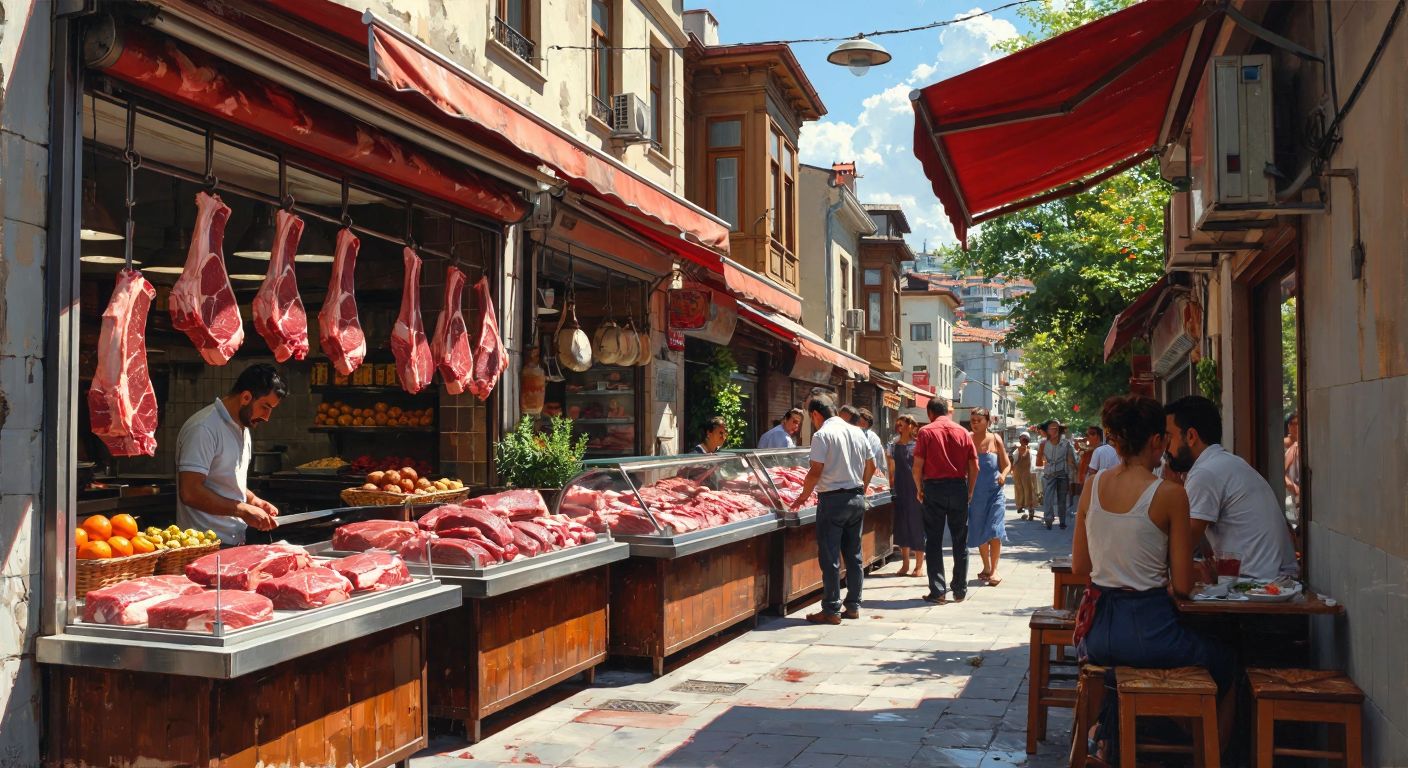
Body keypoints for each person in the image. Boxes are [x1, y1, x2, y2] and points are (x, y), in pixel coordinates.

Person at [1073, 395, 1235, 759]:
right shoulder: (1170, 494)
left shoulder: (1092, 486)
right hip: (1149, 631)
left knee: (1121, 670)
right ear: (1156, 441)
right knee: (1226, 661)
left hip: (1098, 634)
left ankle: (1115, 734)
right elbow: (1181, 585)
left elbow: (1081, 567)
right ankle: (1209, 754)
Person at [1163, 396, 1299, 580]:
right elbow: (1201, 545)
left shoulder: (1205, 472)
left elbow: (1180, 548)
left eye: (1169, 438)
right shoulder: (1222, 462)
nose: (1166, 449)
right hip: (1271, 579)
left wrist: (1170, 493)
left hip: (1261, 586)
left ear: (1191, 436)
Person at [789, 397, 876, 624]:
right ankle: (854, 606)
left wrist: (803, 496)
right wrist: (862, 488)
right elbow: (872, 465)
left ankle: (831, 609)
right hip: (856, 498)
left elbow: (816, 471)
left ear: (816, 415)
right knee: (854, 556)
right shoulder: (858, 432)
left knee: (830, 557)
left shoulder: (822, 435)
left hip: (833, 500)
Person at [176, 364, 285, 545]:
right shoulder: (204, 428)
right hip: (202, 546)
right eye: (265, 407)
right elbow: (190, 492)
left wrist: (253, 500)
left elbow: (224, 480)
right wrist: (243, 509)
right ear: (246, 397)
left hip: (234, 542)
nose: (267, 417)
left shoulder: (243, 427)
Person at [912, 396, 979, 604]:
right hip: (958, 486)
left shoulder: (926, 432)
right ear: (948, 412)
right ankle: (959, 590)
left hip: (934, 488)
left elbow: (917, 466)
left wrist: (919, 488)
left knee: (933, 540)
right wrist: (970, 490)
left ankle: (938, 591)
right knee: (960, 540)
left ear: (930, 413)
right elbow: (974, 466)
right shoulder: (963, 432)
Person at [965, 409, 1010, 586]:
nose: (974, 423)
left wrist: (1004, 475)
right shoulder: (967, 439)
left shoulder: (995, 439)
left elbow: (1007, 465)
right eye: (972, 420)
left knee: (994, 529)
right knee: (980, 530)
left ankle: (994, 570)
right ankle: (986, 566)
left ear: (988, 422)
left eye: (978, 420)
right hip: (975, 494)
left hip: (995, 492)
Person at [887, 414, 924, 578]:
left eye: (902, 424)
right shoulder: (893, 446)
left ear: (910, 426)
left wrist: (921, 489)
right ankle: (905, 564)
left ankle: (919, 566)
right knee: (902, 526)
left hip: (915, 489)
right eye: (898, 425)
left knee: (917, 526)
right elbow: (891, 469)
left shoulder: (918, 445)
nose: (899, 427)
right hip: (900, 489)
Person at [1036, 419, 1077, 530]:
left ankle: (1062, 521)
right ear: (1047, 431)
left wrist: (1073, 475)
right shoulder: (1043, 444)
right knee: (1048, 498)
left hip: (1062, 474)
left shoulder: (1066, 444)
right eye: (1052, 429)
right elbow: (1038, 462)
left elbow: (1071, 461)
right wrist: (1043, 458)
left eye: (1057, 428)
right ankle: (1048, 519)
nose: (1055, 431)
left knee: (1062, 499)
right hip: (1049, 475)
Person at [856, 408, 889, 490]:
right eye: (858, 423)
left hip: (871, 480)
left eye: (863, 425)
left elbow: (870, 463)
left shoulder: (873, 439)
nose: (860, 427)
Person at [1011, 434, 1037, 520]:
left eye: (1026, 440)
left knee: (1029, 491)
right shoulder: (1016, 452)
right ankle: (1022, 508)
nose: (1024, 441)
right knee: (1020, 490)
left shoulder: (1032, 452)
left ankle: (1030, 509)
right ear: (1020, 441)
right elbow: (1013, 463)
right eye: (1023, 439)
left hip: (1028, 473)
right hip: (1018, 473)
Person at [1283, 413, 1301, 513]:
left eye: (1298, 423)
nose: (1297, 426)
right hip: (1289, 495)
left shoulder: (1301, 445)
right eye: (1294, 423)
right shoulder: (1284, 445)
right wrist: (1295, 489)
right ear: (1288, 426)